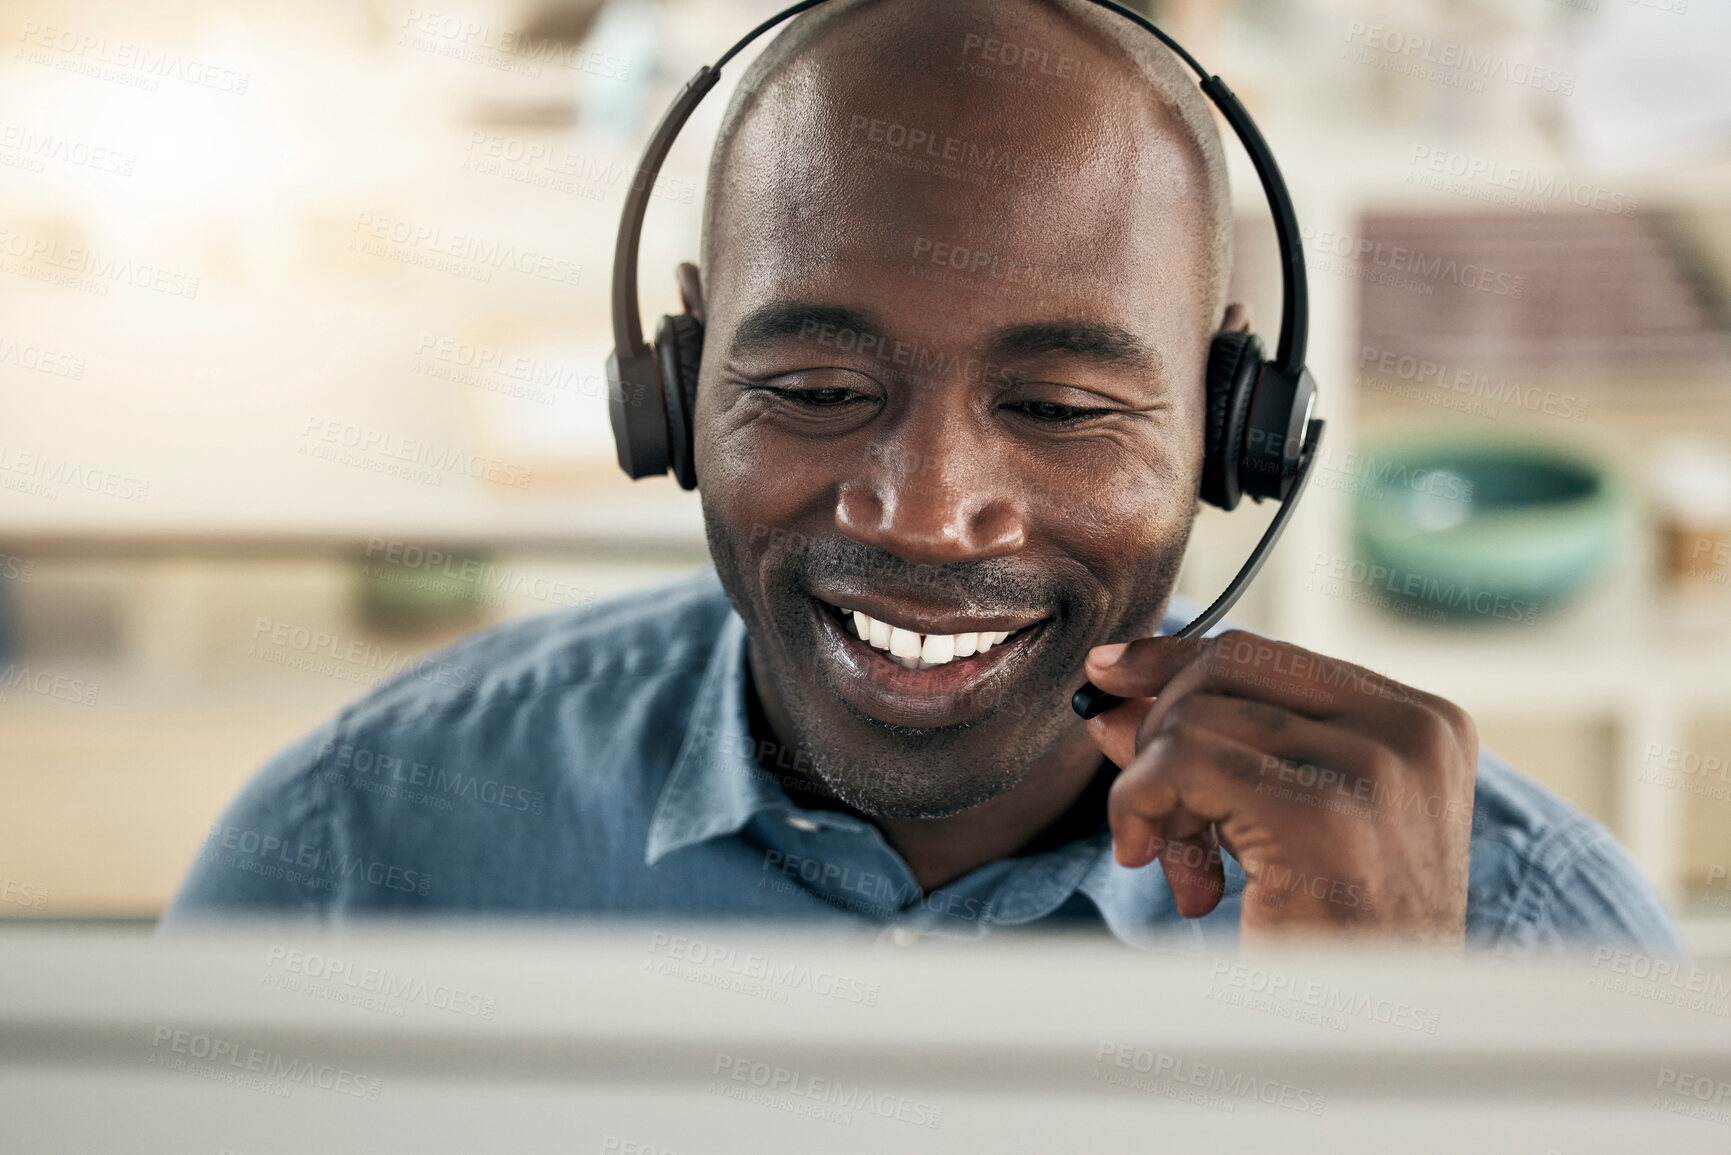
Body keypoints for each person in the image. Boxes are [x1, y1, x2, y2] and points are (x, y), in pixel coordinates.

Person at [166, 0, 1679, 953]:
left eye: (1063, 404)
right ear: (679, 393)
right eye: (820, 389)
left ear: (1233, 429)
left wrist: (1397, 1077)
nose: (929, 504)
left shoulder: (1525, 935)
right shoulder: (351, 859)